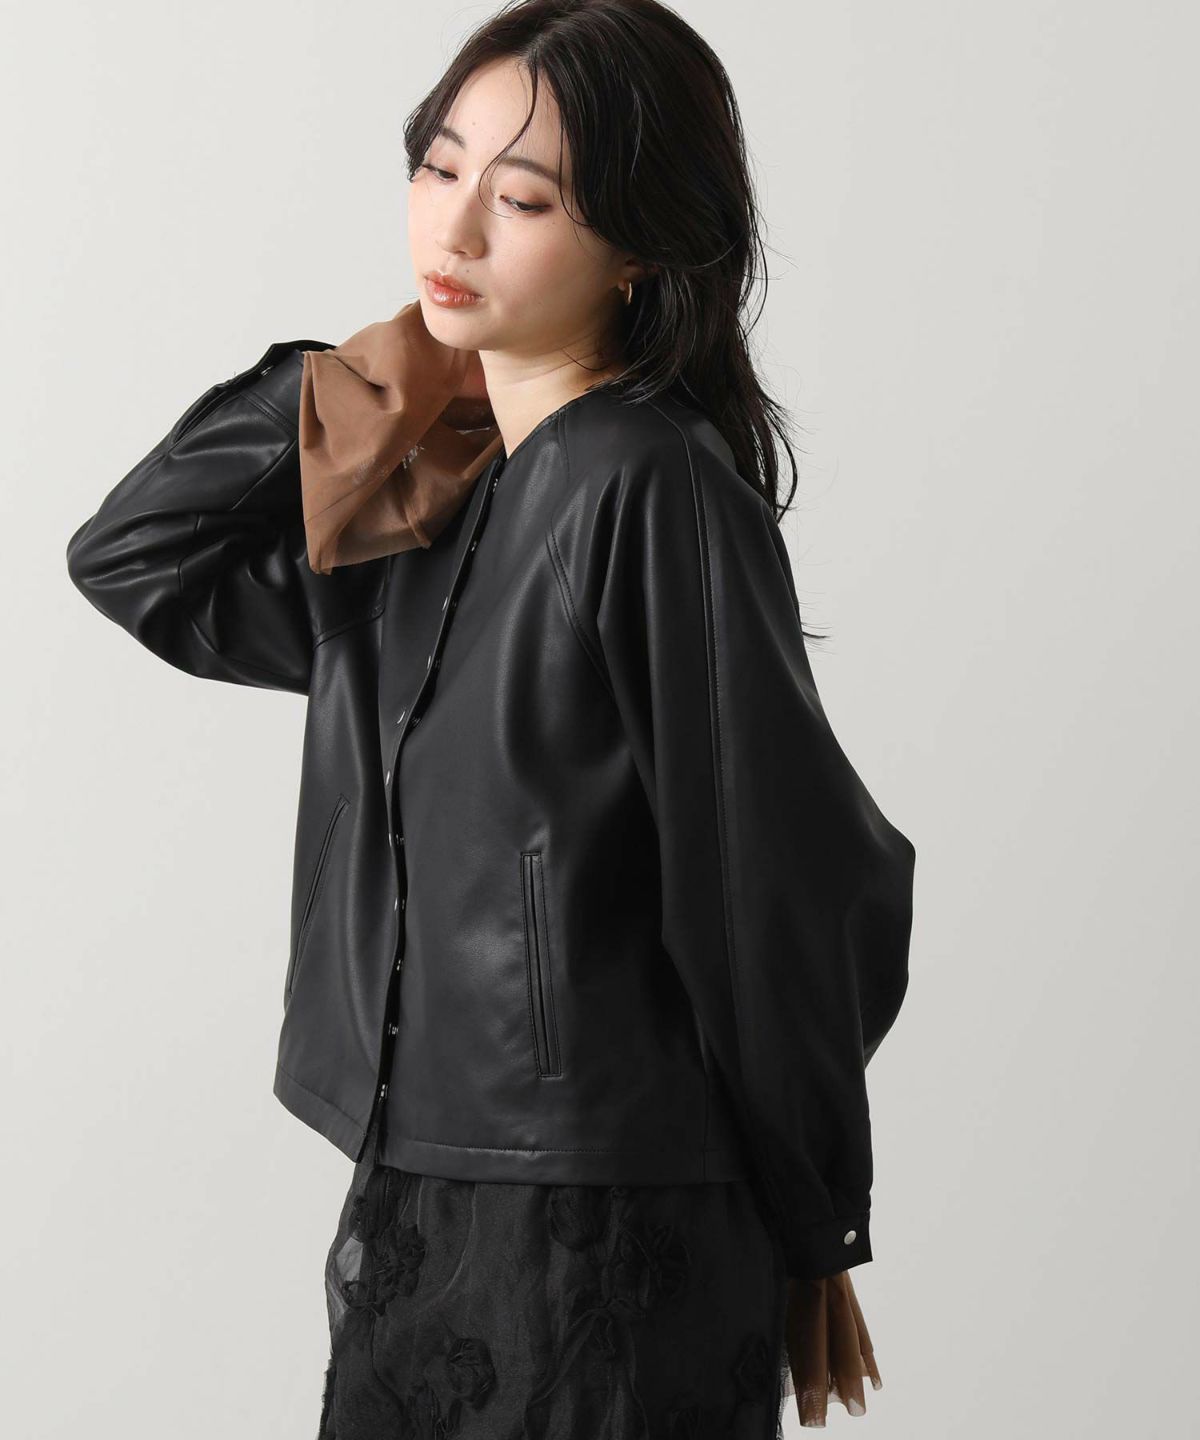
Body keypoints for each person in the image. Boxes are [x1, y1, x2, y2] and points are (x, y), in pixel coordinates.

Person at [64, 2, 916, 1435]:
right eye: (436, 167)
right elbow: (136, 562)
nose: (452, 229)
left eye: (520, 199)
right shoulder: (428, 494)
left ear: (640, 245)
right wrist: (349, 384)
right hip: (418, 1189)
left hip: (608, 1219)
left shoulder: (643, 481)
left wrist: (816, 1207)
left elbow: (774, 877)